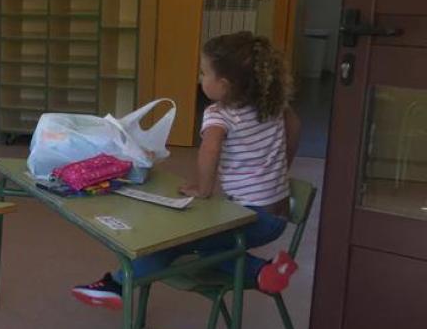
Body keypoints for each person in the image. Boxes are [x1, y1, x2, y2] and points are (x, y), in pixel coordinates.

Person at [71, 31, 302, 309]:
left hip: (248, 219)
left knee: (177, 241)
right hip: (277, 216)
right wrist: (281, 167)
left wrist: (203, 188)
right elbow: (294, 128)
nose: (200, 78)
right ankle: (266, 270)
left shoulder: (219, 114)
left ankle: (118, 284)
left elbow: (210, 149)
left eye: (204, 73)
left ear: (225, 85)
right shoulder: (273, 106)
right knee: (212, 244)